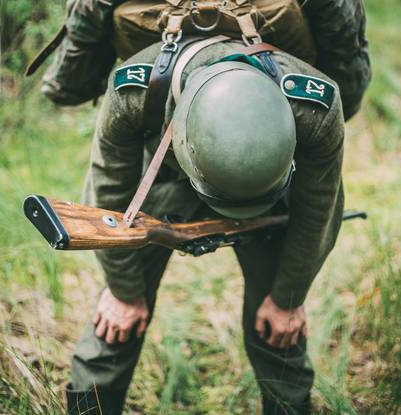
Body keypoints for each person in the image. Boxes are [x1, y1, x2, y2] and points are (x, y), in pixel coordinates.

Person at [66, 35, 351, 415]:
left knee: (280, 328)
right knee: (116, 320)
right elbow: (108, 196)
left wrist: (288, 297)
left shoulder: (316, 109)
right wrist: (123, 291)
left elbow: (319, 210)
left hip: (272, 194)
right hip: (165, 178)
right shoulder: (134, 91)